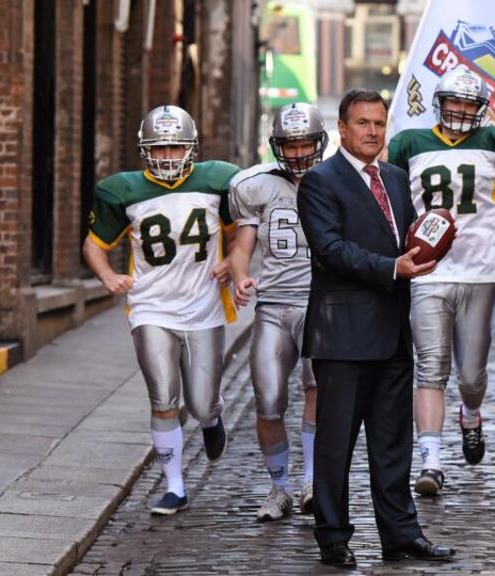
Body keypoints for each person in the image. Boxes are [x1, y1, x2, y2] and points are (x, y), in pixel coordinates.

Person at [297, 90, 456, 568]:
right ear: (342, 128)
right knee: (336, 445)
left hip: (392, 332)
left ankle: (401, 534)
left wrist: (427, 247)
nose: (372, 132)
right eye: (363, 123)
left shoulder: (395, 178)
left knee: (393, 445)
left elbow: (402, 241)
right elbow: (329, 249)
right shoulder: (320, 181)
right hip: (343, 334)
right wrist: (393, 268)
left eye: (379, 123)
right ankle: (333, 537)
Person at [387, 66, 495, 496]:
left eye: (467, 104)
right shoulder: (408, 144)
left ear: (480, 109)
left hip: (479, 272)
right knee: (430, 367)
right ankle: (431, 461)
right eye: (453, 102)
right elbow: (384, 198)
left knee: (471, 377)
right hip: (427, 273)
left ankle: (471, 415)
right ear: (439, 103)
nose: (459, 110)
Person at [83, 105, 239, 515]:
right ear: (145, 150)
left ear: (191, 148)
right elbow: (93, 245)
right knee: (163, 395)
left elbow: (243, 230)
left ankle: (212, 417)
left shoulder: (218, 181)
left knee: (201, 403)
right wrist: (107, 276)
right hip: (151, 307)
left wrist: (234, 261)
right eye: (159, 148)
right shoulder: (124, 190)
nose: (168, 156)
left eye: (175, 147)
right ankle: (175, 487)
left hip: (204, 307)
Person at [226, 102, 328, 521]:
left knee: (318, 391)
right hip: (273, 305)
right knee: (268, 401)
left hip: (321, 303)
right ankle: (279, 486)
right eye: (290, 144)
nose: (299, 152)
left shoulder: (336, 179)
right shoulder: (256, 186)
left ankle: (312, 481)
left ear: (319, 142)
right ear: (277, 146)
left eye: (305, 143)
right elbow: (241, 248)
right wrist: (239, 276)